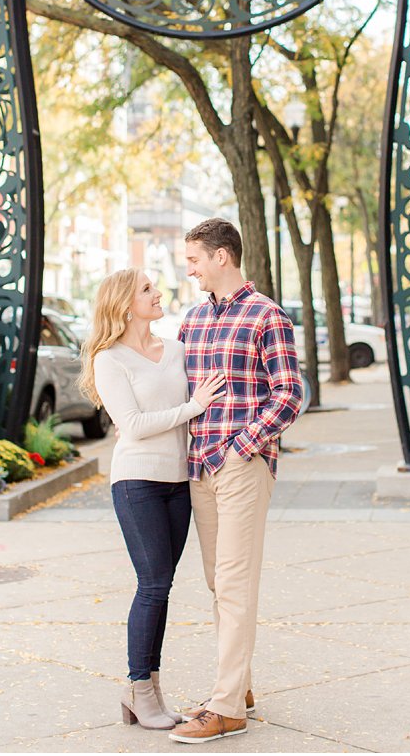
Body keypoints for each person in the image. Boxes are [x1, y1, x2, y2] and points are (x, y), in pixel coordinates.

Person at [169, 217, 305, 745]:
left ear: (222, 256)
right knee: (217, 581)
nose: (191, 270)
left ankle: (226, 708)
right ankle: (239, 683)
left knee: (234, 581)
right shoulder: (193, 320)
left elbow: (290, 394)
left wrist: (241, 448)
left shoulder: (268, 316)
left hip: (242, 465)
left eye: (195, 260)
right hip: (199, 466)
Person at [79, 269, 227, 731]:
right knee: (153, 583)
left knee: (161, 586)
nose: (158, 293)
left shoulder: (178, 350)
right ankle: (140, 688)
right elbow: (135, 424)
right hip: (136, 481)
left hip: (178, 481)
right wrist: (191, 408)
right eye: (147, 289)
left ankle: (148, 691)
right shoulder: (109, 360)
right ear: (124, 303)